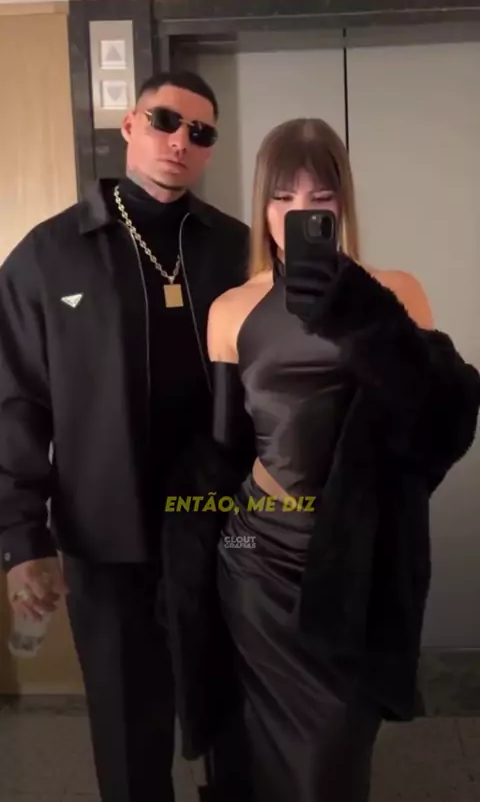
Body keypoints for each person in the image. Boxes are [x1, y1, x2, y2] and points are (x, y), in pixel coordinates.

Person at [206, 117, 480, 801]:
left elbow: (441, 422)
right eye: (283, 198)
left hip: (357, 558)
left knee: (332, 763)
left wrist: (360, 312)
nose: (300, 213)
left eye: (319, 198)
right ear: (261, 205)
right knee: (266, 762)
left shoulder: (396, 291)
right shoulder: (231, 309)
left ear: (342, 204)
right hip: (256, 559)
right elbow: (222, 446)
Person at [0, 70, 249, 802]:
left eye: (200, 132)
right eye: (165, 121)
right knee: (127, 731)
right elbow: (14, 401)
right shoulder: (50, 253)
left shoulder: (235, 248)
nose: (180, 141)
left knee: (235, 714)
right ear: (131, 125)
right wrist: (21, 537)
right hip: (106, 533)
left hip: (222, 527)